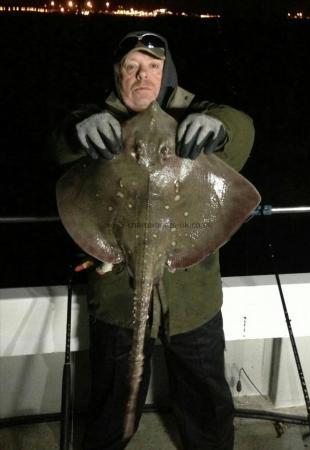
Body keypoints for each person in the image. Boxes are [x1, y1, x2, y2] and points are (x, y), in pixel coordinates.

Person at [52, 30, 255, 450]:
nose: (143, 77)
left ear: (168, 75)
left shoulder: (195, 114)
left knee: (205, 393)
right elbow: (58, 149)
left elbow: (242, 127)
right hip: (116, 293)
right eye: (132, 67)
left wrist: (220, 130)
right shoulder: (96, 119)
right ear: (117, 76)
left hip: (191, 295)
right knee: (112, 396)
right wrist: (77, 131)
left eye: (153, 67)